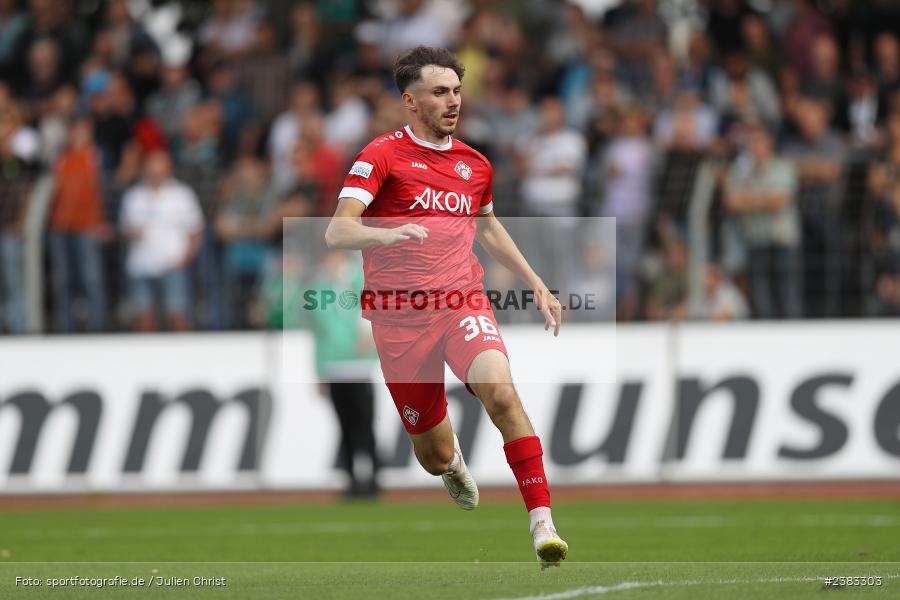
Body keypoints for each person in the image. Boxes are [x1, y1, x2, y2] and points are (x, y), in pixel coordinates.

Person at [324, 46, 568, 568]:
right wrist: (386, 238)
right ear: (410, 101)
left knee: (500, 392)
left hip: (461, 300)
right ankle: (452, 459)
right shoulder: (381, 156)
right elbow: (337, 229)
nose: (453, 101)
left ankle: (542, 522)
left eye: (456, 90)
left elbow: (488, 225)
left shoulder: (475, 164)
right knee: (431, 455)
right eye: (440, 92)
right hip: (398, 319)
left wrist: (537, 283)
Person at [120, 150, 203, 331]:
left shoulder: (182, 195)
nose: (155, 176)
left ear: (168, 170)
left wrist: (185, 259)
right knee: (143, 316)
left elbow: (195, 231)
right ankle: (145, 358)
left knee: (178, 315)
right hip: (141, 266)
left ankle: (183, 357)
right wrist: (132, 233)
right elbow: (125, 227)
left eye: (159, 172)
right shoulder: (134, 196)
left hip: (173, 264)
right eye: (151, 171)